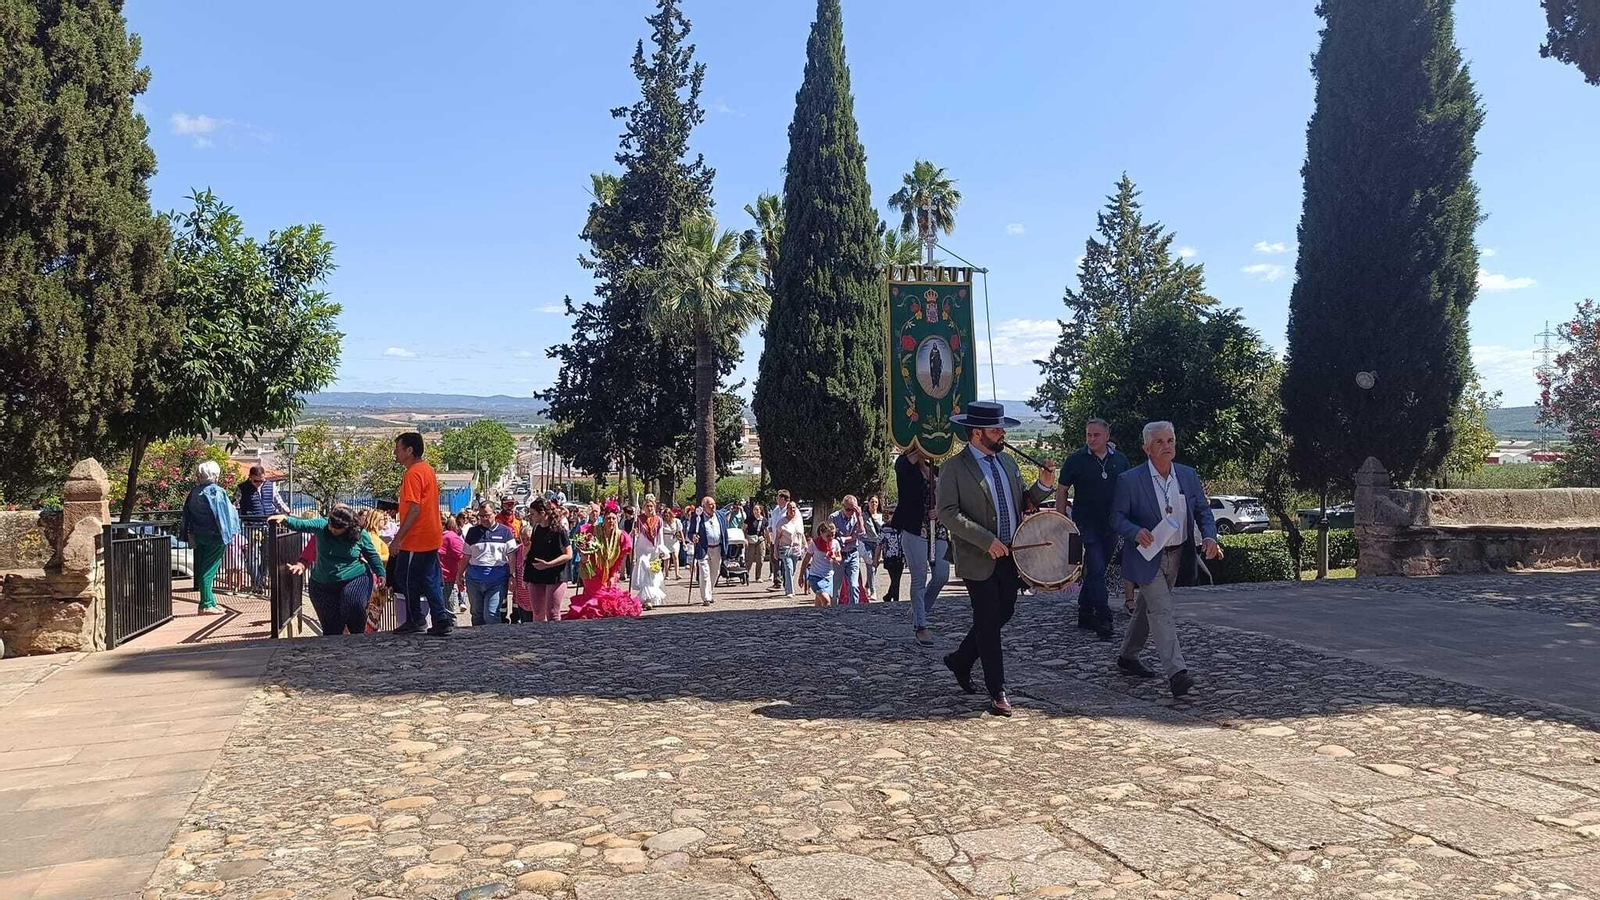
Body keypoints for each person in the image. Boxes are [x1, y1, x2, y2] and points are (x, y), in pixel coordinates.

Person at [937, 401, 1056, 717]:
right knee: (988, 620)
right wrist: (984, 539)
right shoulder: (954, 468)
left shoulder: (1007, 462)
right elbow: (947, 513)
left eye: (1002, 428)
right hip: (979, 557)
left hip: (1011, 555)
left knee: (1004, 612)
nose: (1002, 433)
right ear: (977, 433)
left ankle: (961, 660)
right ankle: (998, 691)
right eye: (996, 429)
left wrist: (1043, 484)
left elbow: (1023, 502)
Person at [1111, 421, 1223, 699]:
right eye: (1159, 442)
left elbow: (1202, 512)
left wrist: (1210, 538)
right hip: (1146, 557)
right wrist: (1136, 532)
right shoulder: (1130, 480)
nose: (1166, 447)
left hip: (1177, 554)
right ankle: (1177, 673)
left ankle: (1127, 655)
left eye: (1170, 441)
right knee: (1162, 610)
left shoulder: (1187, 475)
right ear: (1146, 448)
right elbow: (1116, 518)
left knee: (1147, 608)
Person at [1055, 418, 1131, 641]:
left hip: (1112, 523)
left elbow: (1128, 489)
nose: (1091, 439)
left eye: (1096, 435)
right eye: (1088, 435)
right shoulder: (1076, 459)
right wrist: (1061, 519)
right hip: (1086, 524)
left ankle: (1085, 612)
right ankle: (1104, 616)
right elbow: (1062, 489)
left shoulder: (1120, 460)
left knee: (1098, 570)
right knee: (1096, 567)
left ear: (1107, 436)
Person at [271, 505, 385, 636]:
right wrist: (284, 519)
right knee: (332, 628)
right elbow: (301, 524)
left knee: (352, 602)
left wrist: (381, 573)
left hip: (355, 577)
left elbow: (372, 555)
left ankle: (358, 637)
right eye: (331, 525)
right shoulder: (322, 525)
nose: (332, 529)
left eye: (337, 529)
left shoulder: (360, 534)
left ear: (348, 527)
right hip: (322, 583)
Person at [390, 432, 454, 636]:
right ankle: (441, 619)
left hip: (416, 538)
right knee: (430, 579)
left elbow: (415, 508)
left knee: (406, 578)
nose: (395, 453)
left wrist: (398, 538)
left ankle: (416, 618)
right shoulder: (427, 469)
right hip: (431, 534)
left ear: (409, 450)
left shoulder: (412, 473)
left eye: (398, 449)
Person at [892, 448, 949, 644]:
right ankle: (921, 625)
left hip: (938, 529)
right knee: (919, 578)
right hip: (915, 528)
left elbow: (950, 499)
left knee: (942, 575)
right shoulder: (903, 466)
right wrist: (922, 444)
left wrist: (940, 512)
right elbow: (908, 462)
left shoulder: (939, 471)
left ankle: (918, 609)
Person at [179, 460, 241, 615]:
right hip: (215, 535)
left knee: (202, 567)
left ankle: (211, 601)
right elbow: (223, 515)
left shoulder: (194, 492)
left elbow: (187, 513)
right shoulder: (217, 491)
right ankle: (206, 604)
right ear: (215, 475)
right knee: (209, 570)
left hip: (198, 534)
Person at [564, 500, 640, 619]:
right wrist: (583, 554)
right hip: (592, 571)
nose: (611, 521)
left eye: (614, 518)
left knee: (611, 597)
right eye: (608, 518)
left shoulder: (621, 536)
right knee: (596, 597)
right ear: (603, 519)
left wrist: (613, 574)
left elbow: (619, 559)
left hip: (609, 571)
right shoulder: (593, 531)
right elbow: (580, 544)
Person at [462, 500, 517, 626]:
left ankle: (494, 642)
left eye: (486, 515)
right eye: (481, 516)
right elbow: (466, 556)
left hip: (497, 580)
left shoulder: (505, 532)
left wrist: (512, 575)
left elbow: (512, 556)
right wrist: (459, 574)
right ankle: (479, 642)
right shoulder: (472, 532)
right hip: (474, 580)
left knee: (491, 614)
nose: (484, 519)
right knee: (476, 613)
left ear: (494, 514)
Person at [524, 499, 572, 622]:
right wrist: (526, 575)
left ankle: (554, 639)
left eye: (533, 513)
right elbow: (532, 552)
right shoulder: (536, 529)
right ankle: (539, 638)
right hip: (536, 574)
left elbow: (568, 554)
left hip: (555, 575)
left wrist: (548, 564)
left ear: (543, 513)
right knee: (537, 612)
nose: (531, 516)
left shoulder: (559, 530)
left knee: (552, 613)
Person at [685, 496, 730, 607]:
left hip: (717, 548)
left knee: (715, 572)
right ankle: (706, 597)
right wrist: (693, 537)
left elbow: (725, 532)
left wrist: (726, 546)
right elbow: (690, 533)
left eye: (714, 503)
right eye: (710, 504)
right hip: (704, 548)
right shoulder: (697, 517)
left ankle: (709, 592)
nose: (713, 506)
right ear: (704, 506)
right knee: (705, 573)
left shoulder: (720, 516)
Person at [630, 499, 669, 610]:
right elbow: (635, 535)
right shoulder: (639, 520)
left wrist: (661, 550)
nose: (650, 508)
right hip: (642, 550)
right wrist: (634, 534)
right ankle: (647, 599)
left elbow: (660, 537)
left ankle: (650, 598)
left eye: (651, 506)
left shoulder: (658, 520)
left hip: (654, 550)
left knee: (653, 574)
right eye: (647, 506)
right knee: (644, 567)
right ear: (643, 507)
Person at [829, 496, 867, 605]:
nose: (850, 512)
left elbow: (861, 535)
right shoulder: (834, 518)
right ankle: (833, 609)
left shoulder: (857, 518)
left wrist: (859, 516)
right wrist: (849, 538)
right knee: (836, 586)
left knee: (854, 585)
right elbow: (832, 538)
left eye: (853, 510)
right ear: (843, 507)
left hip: (853, 553)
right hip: (838, 554)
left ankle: (853, 609)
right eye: (848, 510)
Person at [802, 520, 842, 607]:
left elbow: (839, 557)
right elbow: (806, 559)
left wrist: (835, 558)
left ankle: (817, 618)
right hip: (815, 577)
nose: (831, 538)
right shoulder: (814, 544)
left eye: (833, 535)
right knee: (826, 601)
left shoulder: (835, 543)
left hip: (829, 577)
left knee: (819, 603)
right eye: (828, 536)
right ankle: (827, 619)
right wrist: (801, 575)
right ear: (821, 533)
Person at [772, 499, 807, 598]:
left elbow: (802, 534)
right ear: (787, 509)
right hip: (785, 548)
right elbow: (777, 538)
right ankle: (790, 591)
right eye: (790, 508)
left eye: (794, 508)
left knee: (793, 570)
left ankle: (787, 587)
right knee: (789, 568)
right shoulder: (782, 522)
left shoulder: (799, 520)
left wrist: (805, 545)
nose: (792, 510)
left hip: (796, 548)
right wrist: (775, 550)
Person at [440, 513, 467, 615]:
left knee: (448, 614)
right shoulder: (440, 536)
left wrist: (460, 576)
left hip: (448, 580)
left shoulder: (451, 537)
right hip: (437, 579)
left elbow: (463, 557)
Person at [860, 496, 884, 604]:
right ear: (868, 503)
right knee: (871, 567)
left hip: (879, 545)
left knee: (875, 566)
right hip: (867, 543)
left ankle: (867, 585)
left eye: (876, 502)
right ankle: (873, 591)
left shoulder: (881, 516)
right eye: (872, 502)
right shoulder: (864, 516)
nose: (874, 504)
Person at [767, 490, 793, 589]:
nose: (776, 499)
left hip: (784, 540)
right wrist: (770, 527)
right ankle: (777, 582)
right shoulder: (776, 510)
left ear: (782, 499)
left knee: (785, 562)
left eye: (778, 497)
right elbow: (771, 521)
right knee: (774, 560)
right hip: (775, 539)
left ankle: (787, 583)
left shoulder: (789, 509)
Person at [880, 520, 905, 602]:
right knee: (895, 580)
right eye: (891, 513)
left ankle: (888, 596)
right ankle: (896, 600)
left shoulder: (903, 527)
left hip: (900, 557)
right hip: (889, 557)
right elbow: (879, 542)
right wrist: (875, 559)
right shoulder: (884, 528)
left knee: (896, 579)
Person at [746, 502, 768, 585]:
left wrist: (768, 542)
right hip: (750, 540)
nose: (755, 511)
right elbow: (744, 529)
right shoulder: (749, 519)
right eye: (754, 509)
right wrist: (744, 539)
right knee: (750, 559)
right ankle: (746, 575)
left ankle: (758, 576)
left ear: (760, 511)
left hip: (760, 540)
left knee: (760, 559)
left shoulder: (764, 520)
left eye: (757, 509)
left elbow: (766, 531)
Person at [661, 506, 684, 581]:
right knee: (666, 558)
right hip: (665, 540)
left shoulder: (676, 521)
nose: (666, 516)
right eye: (665, 515)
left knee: (675, 556)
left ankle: (677, 574)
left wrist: (683, 541)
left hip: (674, 540)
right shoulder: (662, 522)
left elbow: (680, 531)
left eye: (667, 515)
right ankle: (666, 574)